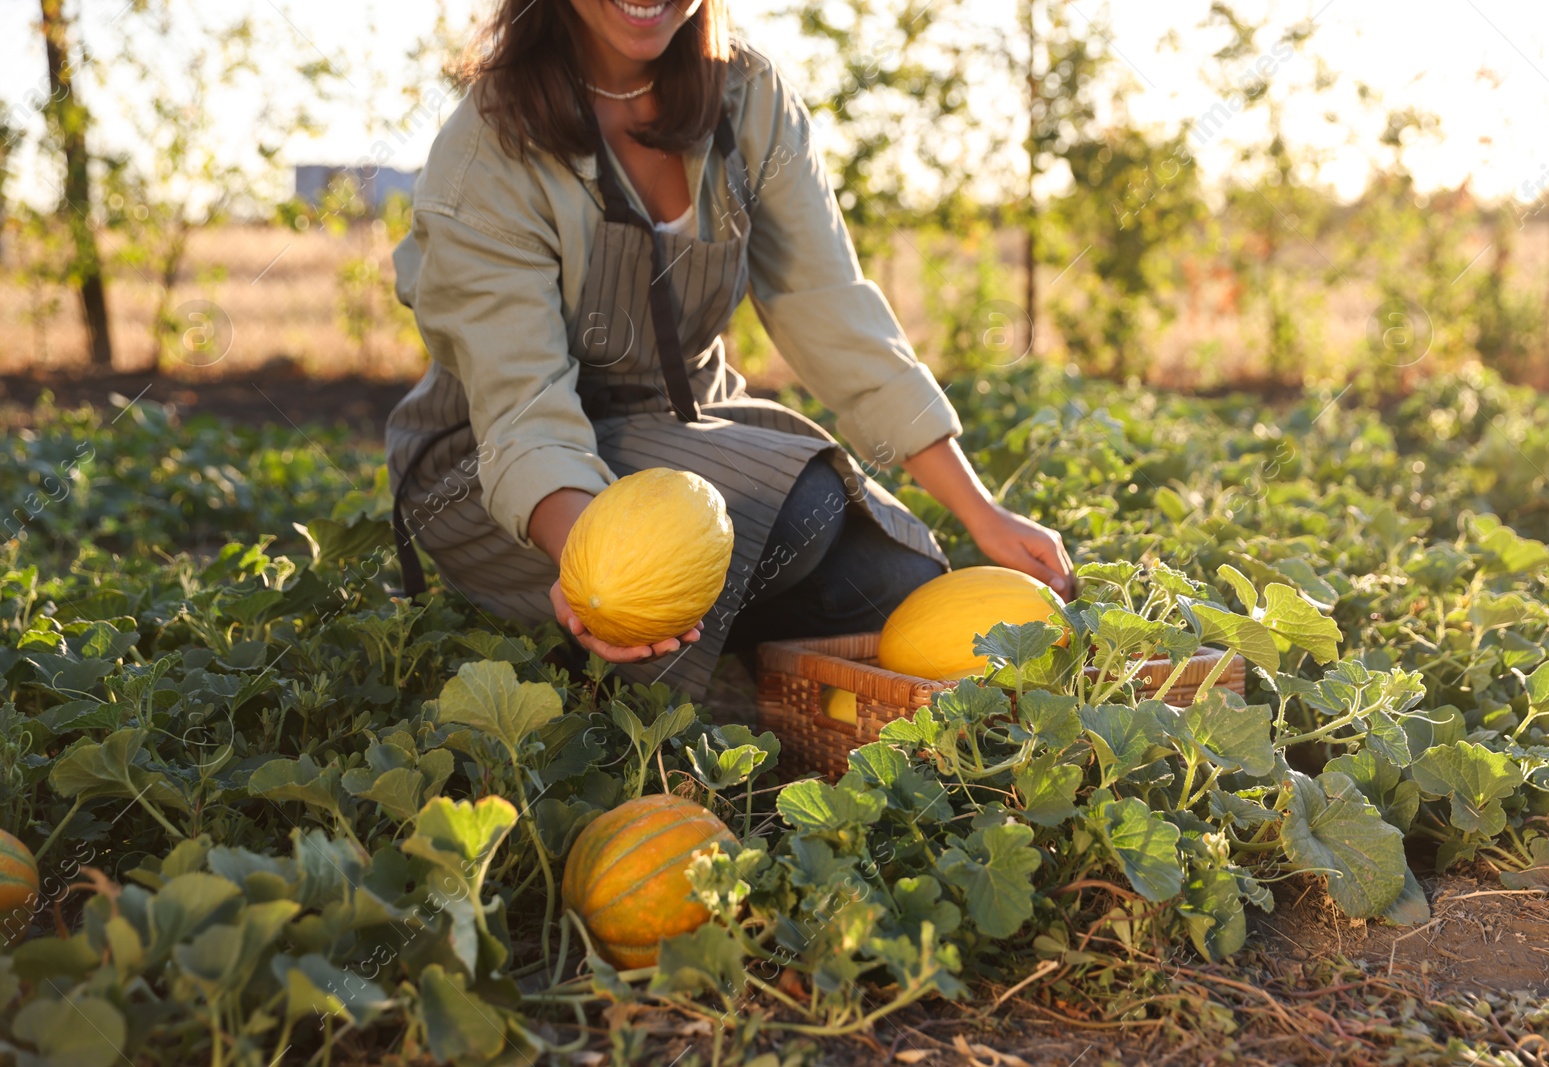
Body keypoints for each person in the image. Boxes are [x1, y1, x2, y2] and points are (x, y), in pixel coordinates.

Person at [386, 0, 1075, 699]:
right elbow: (521, 407)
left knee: (897, 581)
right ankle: (626, 679)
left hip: (682, 421)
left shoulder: (748, 95)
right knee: (803, 513)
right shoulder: (487, 150)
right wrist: (595, 570)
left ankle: (718, 662)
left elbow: (830, 306)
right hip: (498, 466)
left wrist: (981, 511)